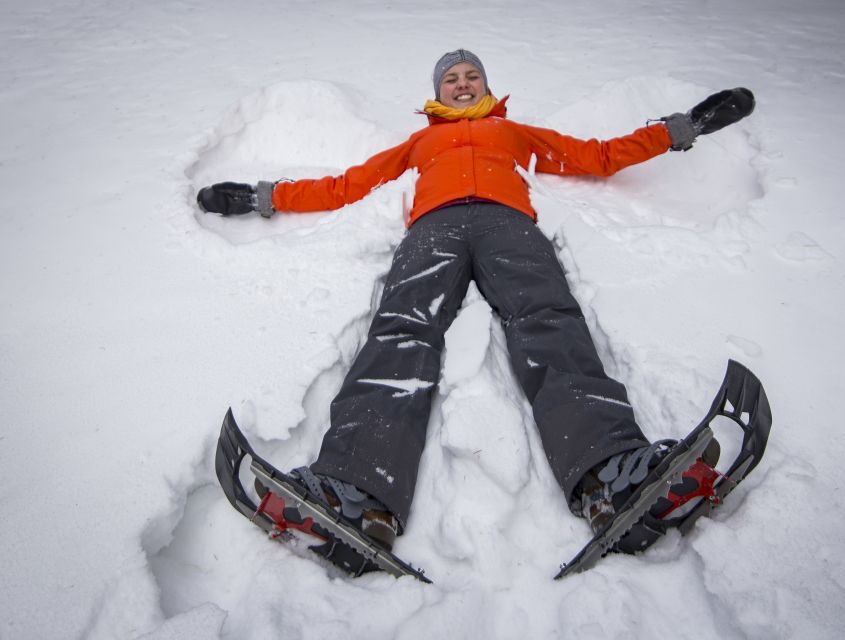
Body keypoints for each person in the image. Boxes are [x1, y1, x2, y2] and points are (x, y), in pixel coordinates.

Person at [198, 49, 754, 566]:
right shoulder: (418, 145)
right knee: (402, 329)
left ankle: (611, 472)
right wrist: (262, 197)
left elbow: (598, 156)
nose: (462, 84)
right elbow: (348, 185)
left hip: (507, 225)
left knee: (547, 319)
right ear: (437, 93)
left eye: (471, 76)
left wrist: (683, 129)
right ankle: (356, 489)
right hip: (432, 230)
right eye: (451, 78)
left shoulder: (512, 132)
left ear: (487, 87)